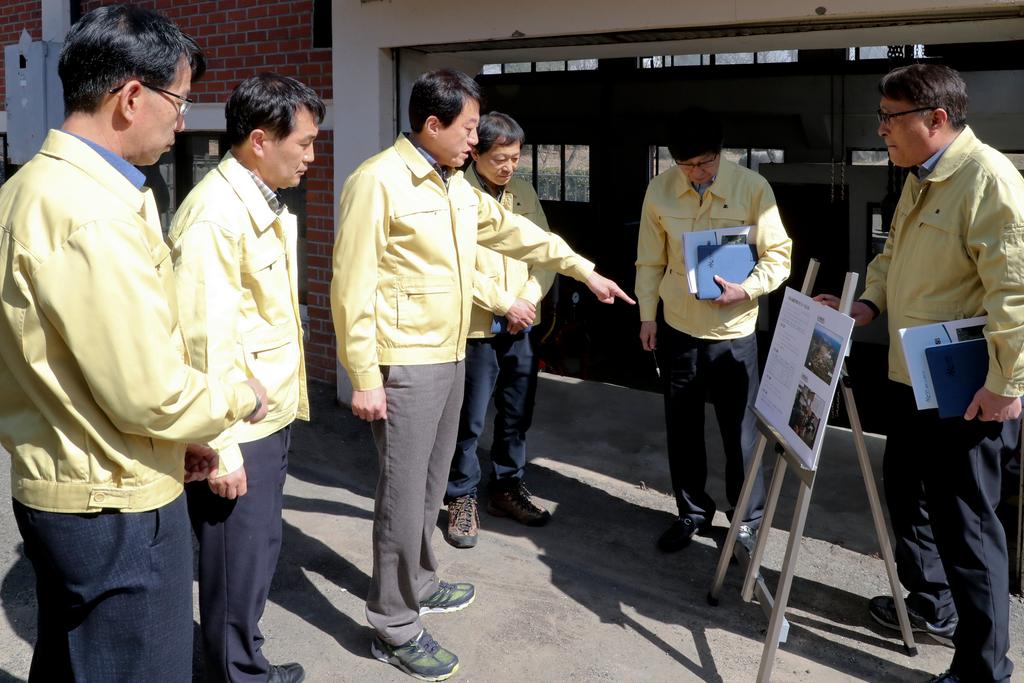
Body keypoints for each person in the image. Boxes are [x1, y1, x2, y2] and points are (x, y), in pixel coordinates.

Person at [331, 69, 633, 681]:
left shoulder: (451, 186)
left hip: (449, 354)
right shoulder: (377, 182)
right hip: (405, 361)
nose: (475, 140)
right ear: (433, 124)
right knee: (401, 492)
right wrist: (364, 374)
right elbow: (351, 285)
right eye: (469, 128)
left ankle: (419, 578)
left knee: (431, 483)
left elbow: (517, 232)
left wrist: (581, 269)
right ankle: (393, 624)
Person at [0, 5, 269, 681]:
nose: (182, 118)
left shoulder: (27, 188)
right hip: (114, 501)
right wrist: (239, 396)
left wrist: (173, 440)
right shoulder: (92, 213)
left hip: (64, 476)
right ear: (130, 97)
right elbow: (149, 392)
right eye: (178, 99)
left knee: (73, 659)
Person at [816, 63, 1021, 683]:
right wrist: (864, 306)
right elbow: (891, 255)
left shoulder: (990, 182)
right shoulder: (919, 178)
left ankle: (984, 667)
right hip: (912, 377)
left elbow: (1017, 295)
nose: (881, 129)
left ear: (936, 119)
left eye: (889, 118)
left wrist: (1007, 385)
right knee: (907, 498)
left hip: (970, 390)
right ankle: (932, 606)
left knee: (969, 527)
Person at [169, 74, 324, 683]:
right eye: (305, 143)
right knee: (235, 563)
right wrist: (221, 447)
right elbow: (203, 342)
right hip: (239, 428)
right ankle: (236, 675)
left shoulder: (258, 200)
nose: (312, 155)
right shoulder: (214, 216)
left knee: (255, 557)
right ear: (260, 140)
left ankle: (242, 661)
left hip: (269, 413)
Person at [635, 107, 792, 553]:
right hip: (678, 329)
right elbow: (649, 259)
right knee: (682, 427)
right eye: (686, 166)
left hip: (735, 332)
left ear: (720, 154)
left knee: (740, 433)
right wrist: (648, 315)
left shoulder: (753, 189)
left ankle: (747, 522)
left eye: (705, 163)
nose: (696, 174)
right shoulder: (660, 191)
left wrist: (747, 289)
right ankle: (691, 512)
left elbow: (778, 255)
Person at [444, 112, 556, 549]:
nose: (509, 167)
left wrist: (526, 300)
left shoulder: (523, 192)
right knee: (468, 421)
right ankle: (461, 497)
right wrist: (502, 303)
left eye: (516, 157)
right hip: (476, 330)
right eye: (500, 158)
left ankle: (506, 489)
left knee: (516, 416)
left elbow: (544, 252)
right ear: (476, 153)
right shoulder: (457, 193)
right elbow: (455, 264)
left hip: (521, 325)